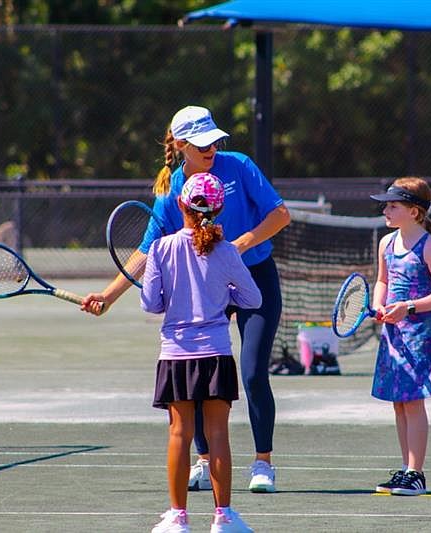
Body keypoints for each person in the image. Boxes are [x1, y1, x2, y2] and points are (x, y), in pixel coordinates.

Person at [82, 106, 290, 493]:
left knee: (253, 371)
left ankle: (264, 464)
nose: (211, 147)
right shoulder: (171, 193)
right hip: (205, 286)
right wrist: (108, 295)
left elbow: (280, 214)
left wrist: (240, 246)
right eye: (200, 142)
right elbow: (147, 251)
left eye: (213, 139)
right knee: (196, 372)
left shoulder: (240, 166)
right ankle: (203, 459)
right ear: (180, 145)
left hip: (254, 275)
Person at [143, 172, 260, 533]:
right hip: (216, 353)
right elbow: (252, 298)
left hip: (176, 353)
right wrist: (225, 297)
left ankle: (178, 517)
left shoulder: (161, 249)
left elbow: (150, 303)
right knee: (219, 435)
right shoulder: (227, 252)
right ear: (219, 208)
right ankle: (223, 517)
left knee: (179, 433)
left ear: (181, 204)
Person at [368, 177, 431, 496]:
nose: (386, 209)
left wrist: (408, 306)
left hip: (420, 334)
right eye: (387, 204)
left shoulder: (429, 246)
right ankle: (407, 469)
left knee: (413, 402)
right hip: (394, 334)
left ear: (415, 212)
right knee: (399, 402)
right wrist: (378, 304)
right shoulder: (386, 243)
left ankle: (416, 472)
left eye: (393, 205)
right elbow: (382, 281)